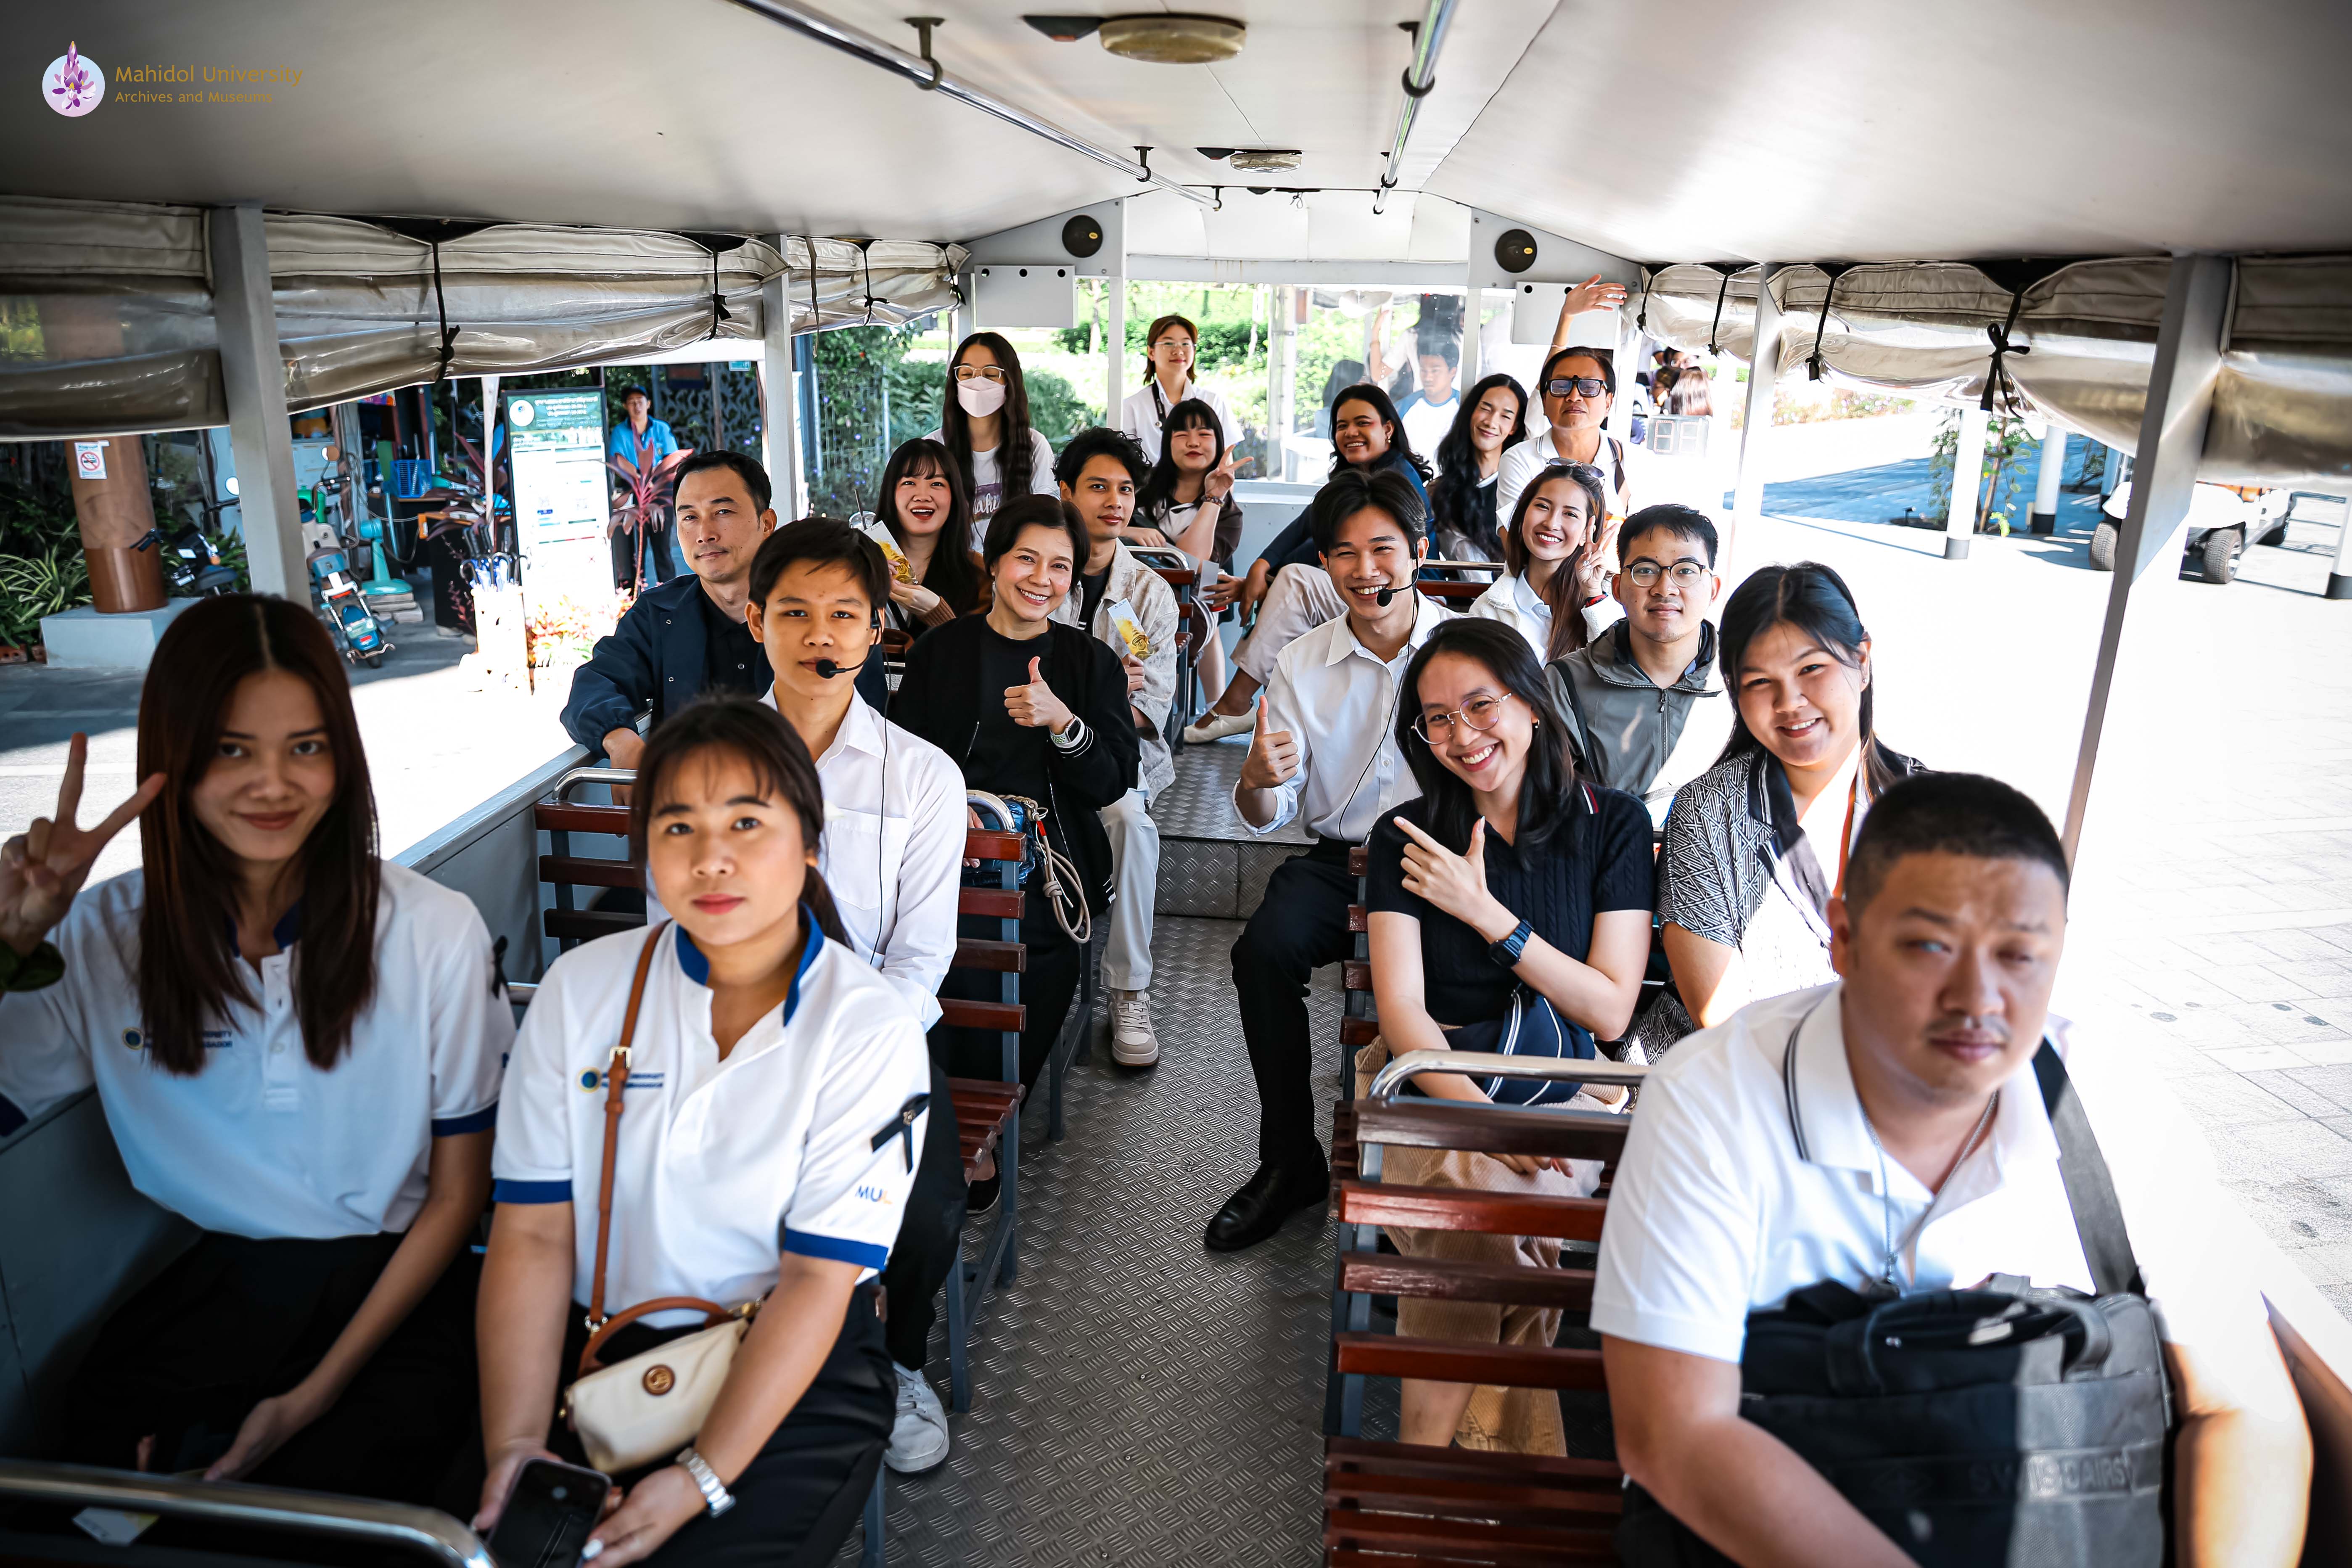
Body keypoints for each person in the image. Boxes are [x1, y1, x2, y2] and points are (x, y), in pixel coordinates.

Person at [1597, 773, 2312, 1568]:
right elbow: (1674, 1432)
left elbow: (2243, 1408)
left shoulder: (2109, 1101)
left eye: (2019, 954)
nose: (1978, 998)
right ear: (1843, 937)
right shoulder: (1710, 1100)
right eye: (1930, 946)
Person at [0, 595, 507, 1502]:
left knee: (336, 1492)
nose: (273, 784)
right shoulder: (100, 934)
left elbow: (457, 1195)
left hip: (397, 1285)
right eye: (232, 750)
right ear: (172, 758)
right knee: (98, 1484)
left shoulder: (432, 929)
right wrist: (11, 945)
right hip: (213, 1284)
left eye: (305, 746)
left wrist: (314, 1394)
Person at [477, 697, 930, 1567]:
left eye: (747, 822)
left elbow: (816, 1279)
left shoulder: (867, 1026)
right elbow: (531, 1232)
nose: (711, 857)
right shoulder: (582, 989)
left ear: (810, 840)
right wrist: (516, 1447)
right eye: (677, 825)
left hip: (793, 1362)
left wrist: (700, 1478)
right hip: (600, 1348)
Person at [1363, 618, 1652, 1452]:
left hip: (1568, 1085)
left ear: (1530, 701)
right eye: (1438, 719)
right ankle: (1483, 1467)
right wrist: (1487, 1121)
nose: (1462, 734)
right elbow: (1403, 1015)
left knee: (1487, 1218)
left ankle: (1421, 1469)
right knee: (1485, 1213)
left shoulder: (1613, 823)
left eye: (1479, 705)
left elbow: (1608, 1011)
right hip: (1436, 1081)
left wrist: (1486, 914)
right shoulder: (1405, 838)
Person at [737, 518, 968, 1473]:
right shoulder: (713, 766)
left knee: (930, 1202)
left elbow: (921, 956)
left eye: (843, 613)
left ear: (877, 629)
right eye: (794, 612)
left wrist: (845, 1045)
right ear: (756, 620)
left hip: (878, 1038)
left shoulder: (923, 774)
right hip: (736, 1031)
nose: (818, 634)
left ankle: (897, 1357)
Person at [1209, 468, 1451, 1253]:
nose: (1364, 569)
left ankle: (1428, 1162)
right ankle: (1290, 1160)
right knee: (1262, 951)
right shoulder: (1301, 662)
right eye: (1343, 553)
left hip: (1442, 859)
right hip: (1338, 858)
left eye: (1383, 549)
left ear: (1418, 551)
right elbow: (1270, 811)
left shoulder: (1464, 648)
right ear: (1322, 562)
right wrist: (1255, 779)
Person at [891, 496, 1138, 1182]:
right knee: (923, 954)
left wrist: (1064, 723)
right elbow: (902, 760)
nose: (1041, 578)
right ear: (995, 562)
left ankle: (985, 1129)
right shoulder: (942, 650)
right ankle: (935, 1115)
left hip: (1050, 868)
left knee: (1035, 955)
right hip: (941, 854)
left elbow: (1112, 780)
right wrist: (949, 808)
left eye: (1059, 566)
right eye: (1026, 558)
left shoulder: (1089, 663)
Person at [1657, 562, 1921, 1044]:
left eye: (1811, 669)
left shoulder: (1936, 811)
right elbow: (1724, 1020)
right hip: (1721, 1077)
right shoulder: (1706, 812)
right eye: (1760, 682)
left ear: (1862, 661)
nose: (1789, 702)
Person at [1179, 385, 1435, 744]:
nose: (1351, 432)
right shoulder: (1352, 478)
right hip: (1369, 594)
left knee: (1295, 582)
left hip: (1406, 597)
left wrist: (1266, 578)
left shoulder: (1395, 479)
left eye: (1362, 423)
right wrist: (1261, 566)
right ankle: (1265, 708)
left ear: (1388, 429)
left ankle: (1238, 701)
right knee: (1290, 581)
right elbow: (1308, 526)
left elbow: (1334, 546)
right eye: (1341, 425)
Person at [566, 451, 844, 770]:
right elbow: (596, 683)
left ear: (766, 523)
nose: (705, 534)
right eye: (690, 517)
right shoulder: (658, 614)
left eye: (723, 512)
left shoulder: (825, 617)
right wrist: (622, 743)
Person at [1053, 429, 1180, 1068]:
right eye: (1097, 486)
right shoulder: (1040, 575)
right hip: (1036, 755)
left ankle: (1128, 990)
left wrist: (1072, 706)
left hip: (1115, 761)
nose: (1114, 501)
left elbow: (1145, 709)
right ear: (1065, 492)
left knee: (1131, 822)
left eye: (1125, 490)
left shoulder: (1149, 595)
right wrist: (1100, 692)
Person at [1546, 503, 1731, 827]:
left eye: (1686, 571)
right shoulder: (1566, 682)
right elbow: (1549, 801)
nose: (1665, 588)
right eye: (1645, 570)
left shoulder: (1742, 681)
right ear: (1617, 588)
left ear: (1713, 589)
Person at [1134, 395, 1245, 708]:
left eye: (1204, 434)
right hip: (1136, 596)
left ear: (1219, 442)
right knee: (1130, 631)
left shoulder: (1229, 515)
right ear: (1167, 442)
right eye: (1182, 434)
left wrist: (1214, 497)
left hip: (1195, 596)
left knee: (1201, 624)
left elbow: (1190, 563)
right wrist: (1131, 532)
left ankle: (1210, 712)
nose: (1193, 442)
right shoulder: (1139, 489)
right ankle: (1151, 705)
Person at [1466, 463, 1623, 660]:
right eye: (1543, 506)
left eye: (1570, 514)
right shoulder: (1489, 609)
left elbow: (1620, 669)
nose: (1551, 523)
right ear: (1523, 516)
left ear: (1586, 532)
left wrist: (1592, 594)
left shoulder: (1610, 597)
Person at [924, 331, 1059, 550]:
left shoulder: (1035, 446)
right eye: (966, 373)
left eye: (990, 374)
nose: (977, 382)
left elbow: (1047, 523)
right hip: (950, 568)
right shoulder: (934, 448)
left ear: (1010, 381)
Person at [1497, 345, 1636, 524]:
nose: (1574, 396)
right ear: (1545, 402)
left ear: (1608, 403)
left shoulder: (1636, 462)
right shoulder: (1520, 460)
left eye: (1589, 387)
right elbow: (1512, 534)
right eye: (1561, 387)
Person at [870, 437, 988, 637]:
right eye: (909, 483)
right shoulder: (859, 565)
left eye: (937, 484)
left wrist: (936, 612)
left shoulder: (979, 574)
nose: (923, 496)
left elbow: (977, 652)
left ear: (954, 496)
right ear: (891, 493)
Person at [1426, 373, 1529, 564]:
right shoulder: (1437, 492)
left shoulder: (1521, 487)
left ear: (1514, 427)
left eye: (1505, 416)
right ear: (1471, 412)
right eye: (1486, 409)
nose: (1491, 422)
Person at [1118, 312, 1239, 462]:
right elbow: (1124, 463)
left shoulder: (1213, 401)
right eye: (1169, 344)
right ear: (1151, 352)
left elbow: (1226, 460)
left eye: (1186, 344)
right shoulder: (1131, 407)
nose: (1179, 351)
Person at [609, 383, 683, 589]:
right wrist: (640, 477)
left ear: (648, 404)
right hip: (633, 490)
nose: (637, 406)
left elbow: (672, 459)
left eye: (640, 401)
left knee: (662, 549)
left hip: (660, 491)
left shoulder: (661, 428)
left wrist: (652, 477)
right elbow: (618, 461)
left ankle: (670, 592)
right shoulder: (620, 432)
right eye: (631, 402)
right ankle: (633, 594)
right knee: (634, 551)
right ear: (625, 406)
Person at [1391, 336, 1463, 459]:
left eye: (1435, 371)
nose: (1428, 378)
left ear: (1453, 372)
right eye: (1424, 371)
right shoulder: (1403, 408)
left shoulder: (1464, 406)